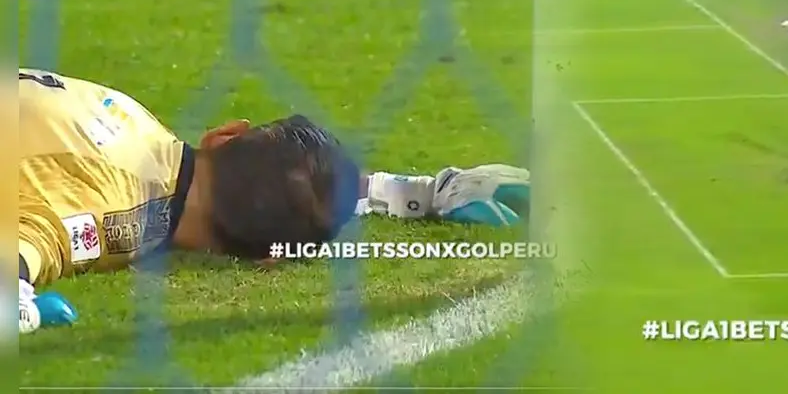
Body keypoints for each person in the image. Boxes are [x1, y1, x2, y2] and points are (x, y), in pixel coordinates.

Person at [17, 68, 529, 333]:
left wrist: (410, 193)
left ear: (223, 136)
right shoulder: (122, 216)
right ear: (269, 257)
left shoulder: (132, 120)